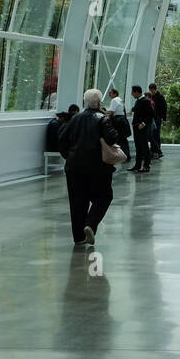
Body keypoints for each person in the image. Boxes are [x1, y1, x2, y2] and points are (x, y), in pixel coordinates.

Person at [58, 89, 120, 248]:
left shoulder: (74, 119)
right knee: (104, 196)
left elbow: (62, 139)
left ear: (85, 102)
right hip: (98, 168)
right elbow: (112, 137)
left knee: (77, 201)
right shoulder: (102, 118)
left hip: (74, 168)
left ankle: (78, 237)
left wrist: (69, 156)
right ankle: (90, 224)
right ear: (99, 103)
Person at [128, 86, 155, 173]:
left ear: (137, 92)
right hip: (136, 126)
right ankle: (137, 165)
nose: (132, 94)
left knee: (144, 146)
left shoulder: (145, 101)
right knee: (138, 147)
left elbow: (151, 115)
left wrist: (143, 124)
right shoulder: (138, 101)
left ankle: (146, 166)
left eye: (133, 92)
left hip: (142, 127)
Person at [106, 88, 130, 162]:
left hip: (118, 121)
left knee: (120, 139)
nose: (109, 94)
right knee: (124, 139)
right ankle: (127, 155)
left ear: (115, 94)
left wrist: (101, 110)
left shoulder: (114, 100)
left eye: (111, 93)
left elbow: (111, 112)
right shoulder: (119, 100)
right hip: (122, 120)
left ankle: (124, 156)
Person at [148, 82, 167, 159]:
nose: (151, 92)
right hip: (152, 118)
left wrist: (164, 118)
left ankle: (157, 151)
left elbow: (164, 107)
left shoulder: (160, 97)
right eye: (150, 90)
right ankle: (153, 150)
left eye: (152, 90)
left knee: (156, 134)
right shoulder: (150, 97)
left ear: (155, 89)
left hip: (157, 118)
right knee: (152, 135)